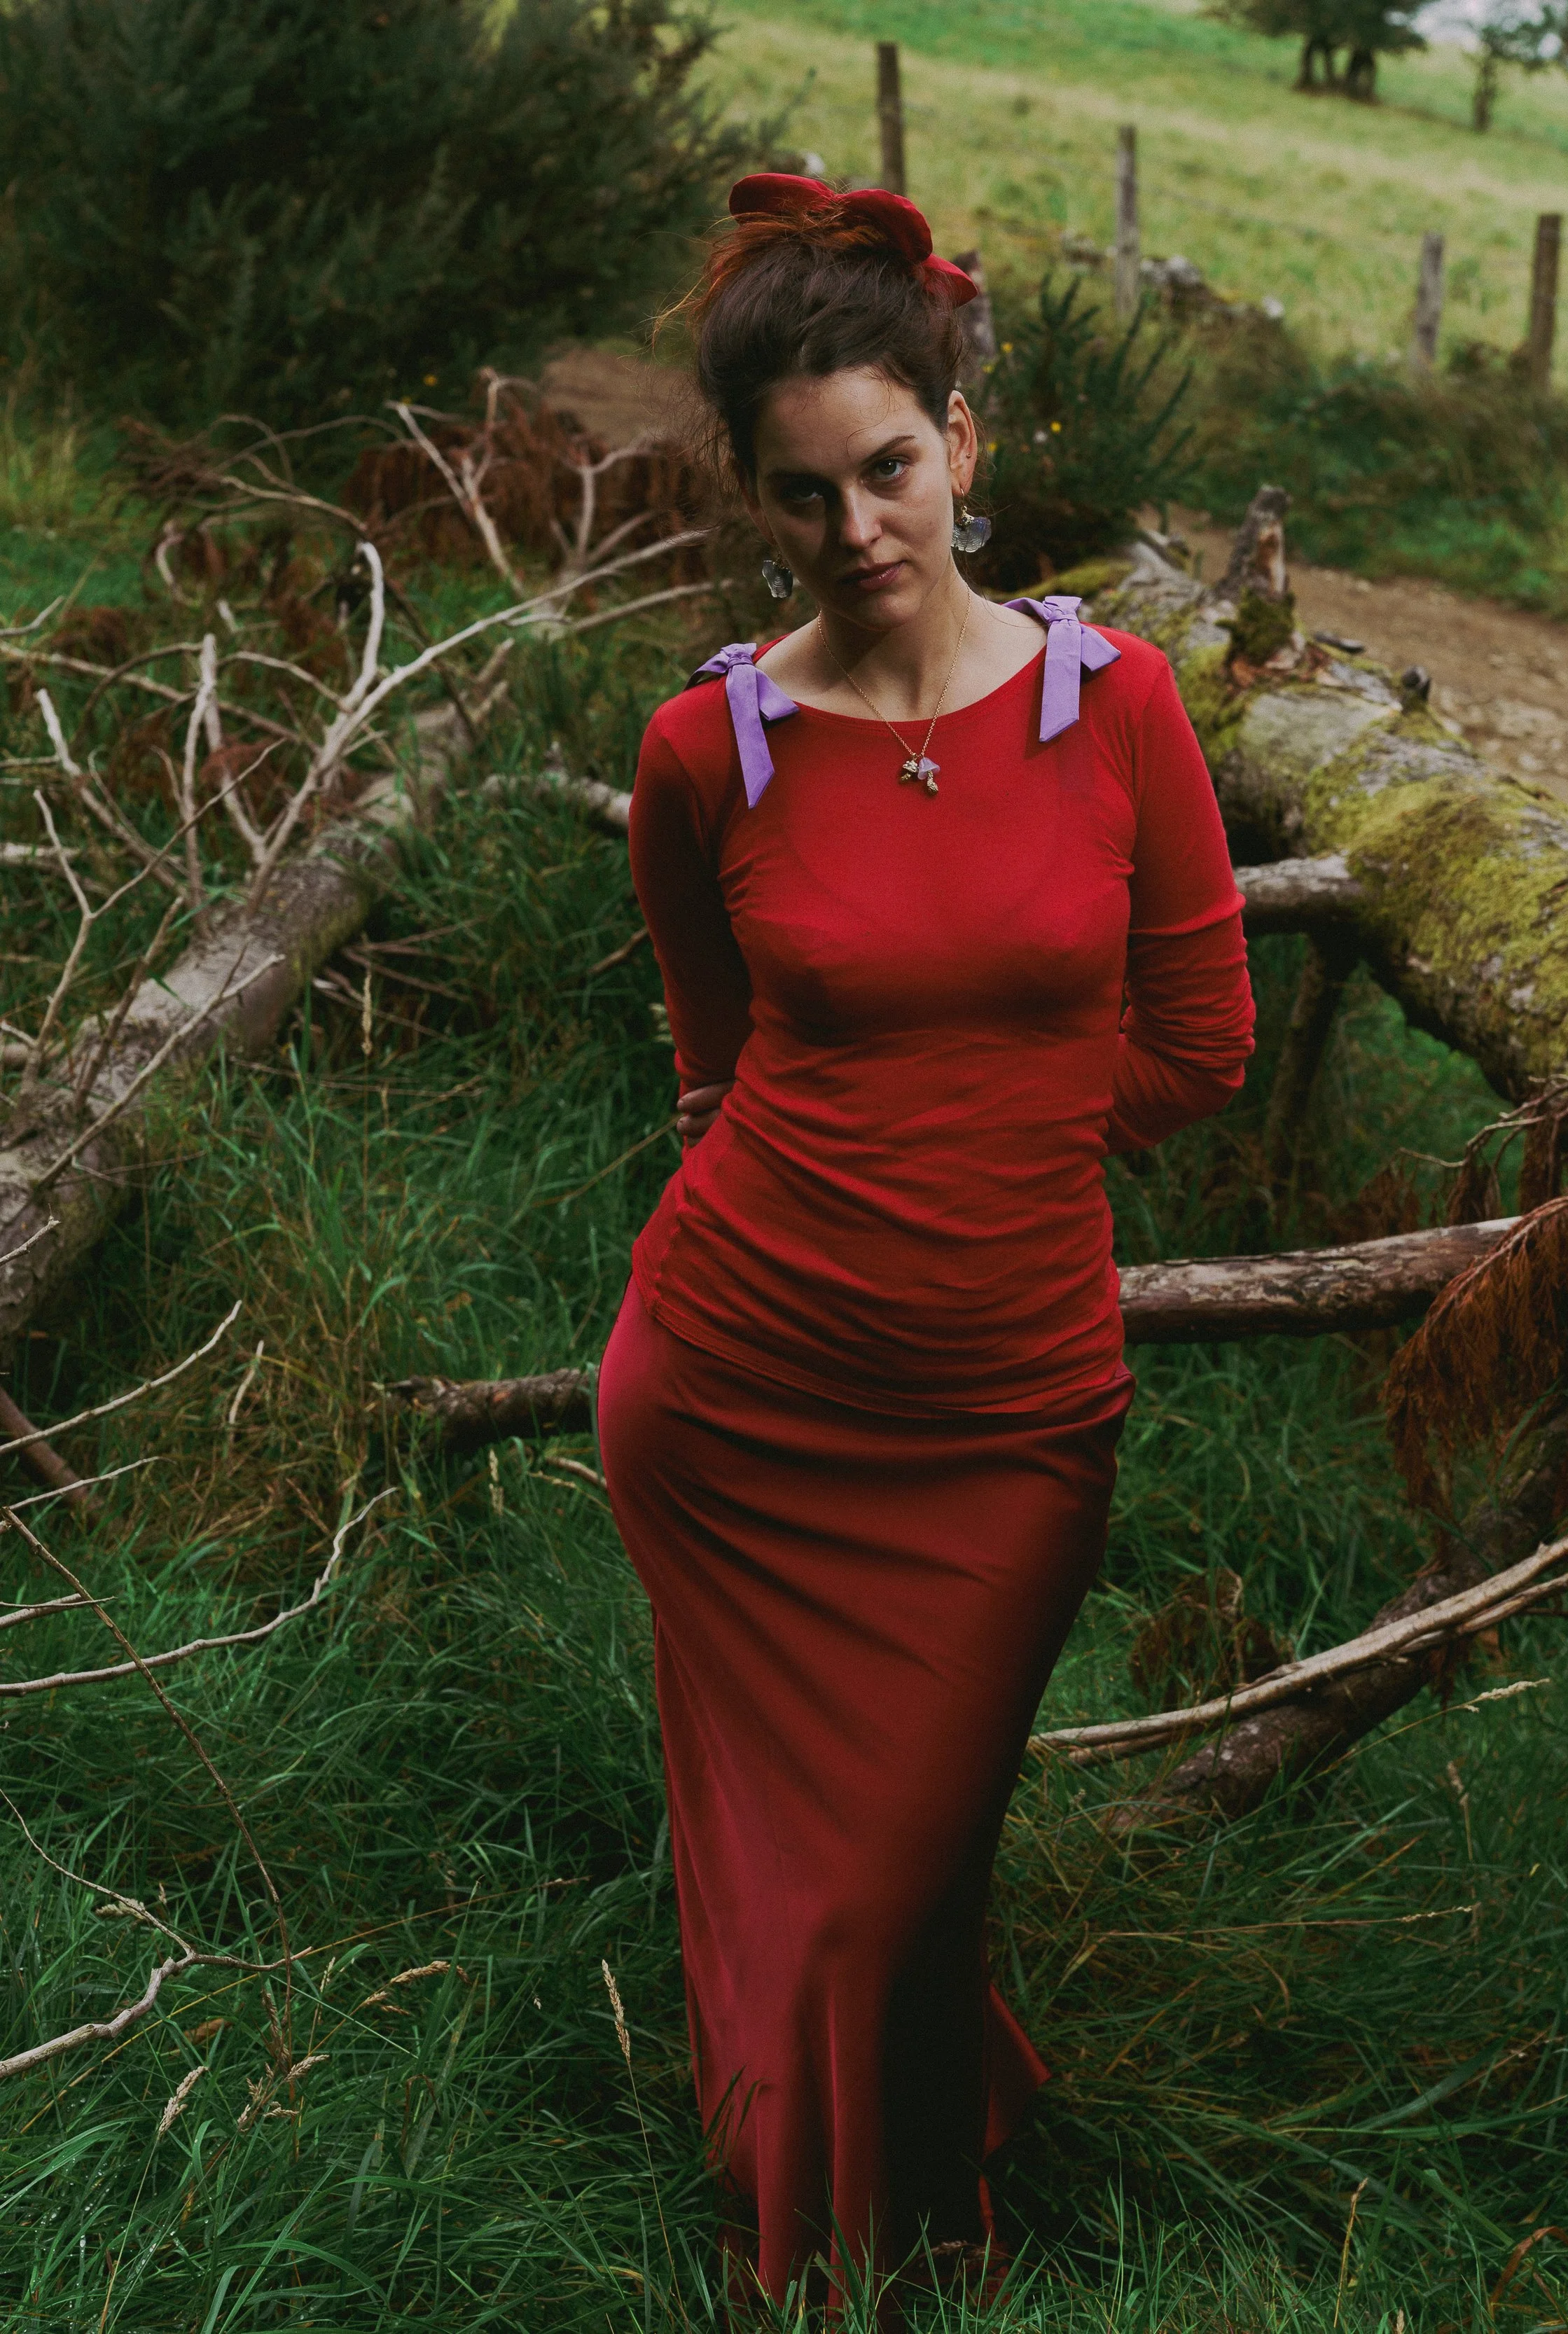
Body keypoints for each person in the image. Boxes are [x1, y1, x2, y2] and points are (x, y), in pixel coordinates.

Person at [595, 172, 1255, 2314]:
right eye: (803, 495)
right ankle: (855, 2237)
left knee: (902, 1857)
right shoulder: (708, 748)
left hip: (1005, 1412)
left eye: (888, 468)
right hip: (738, 1394)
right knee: (816, 1872)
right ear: (755, 504)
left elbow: (1199, 1039)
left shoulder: (1117, 705)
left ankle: (890, 2153)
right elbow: (717, 1074)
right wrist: (843, 1176)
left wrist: (985, 1147)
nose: (855, 527)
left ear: (962, 443)